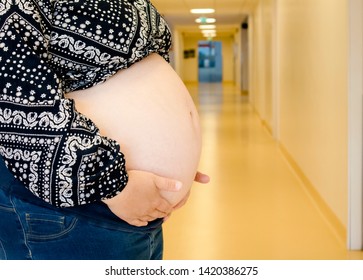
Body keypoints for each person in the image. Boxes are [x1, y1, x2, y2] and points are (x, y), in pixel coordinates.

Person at [0, 0, 209, 260]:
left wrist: (178, 156)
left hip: (123, 204)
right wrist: (114, 185)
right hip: (81, 205)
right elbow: (18, 100)